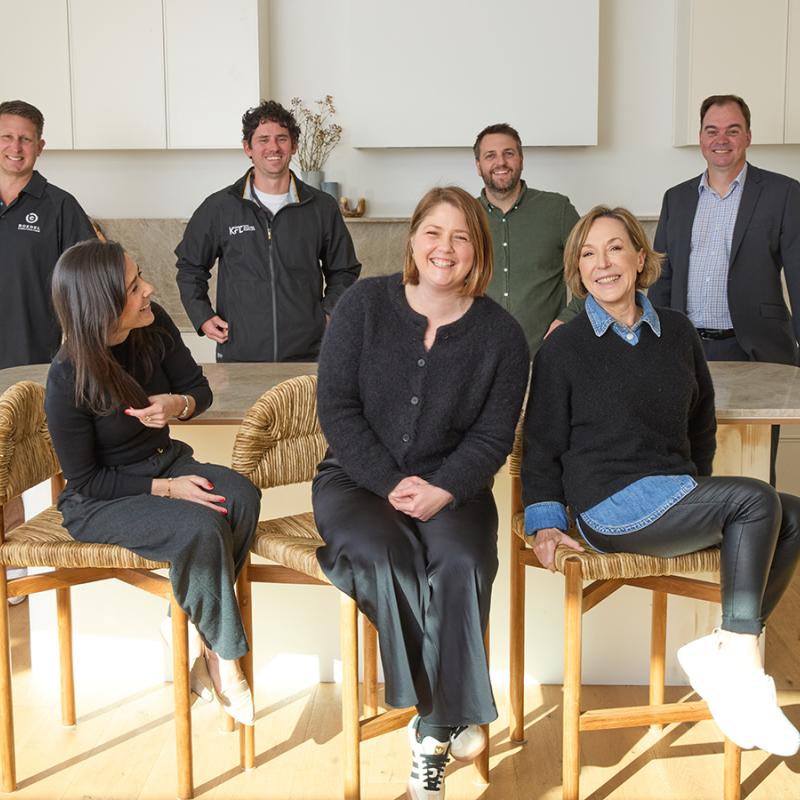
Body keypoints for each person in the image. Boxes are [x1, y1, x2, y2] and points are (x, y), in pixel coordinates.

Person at [522, 205, 800, 757]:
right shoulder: (564, 346)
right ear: (577, 272)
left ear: (639, 257)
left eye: (615, 248)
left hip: (673, 495)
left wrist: (700, 496)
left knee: (791, 515)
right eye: (588, 254)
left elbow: (700, 425)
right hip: (606, 507)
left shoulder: (677, 332)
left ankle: (727, 649)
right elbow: (541, 446)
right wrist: (545, 525)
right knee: (754, 500)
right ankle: (740, 666)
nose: (603, 263)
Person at [312, 186, 529, 798]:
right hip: (357, 481)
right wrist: (389, 481)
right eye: (434, 232)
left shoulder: (503, 337)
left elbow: (493, 437)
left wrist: (443, 488)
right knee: (386, 555)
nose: (445, 247)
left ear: (477, 250)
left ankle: (429, 738)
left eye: (462, 236)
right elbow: (337, 406)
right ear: (413, 239)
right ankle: (448, 711)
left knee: (460, 563)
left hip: (455, 490)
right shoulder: (363, 305)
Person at [45, 239, 261, 725]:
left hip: (166, 462)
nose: (149, 290)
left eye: (140, 277)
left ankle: (180, 620)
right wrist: (169, 489)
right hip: (102, 499)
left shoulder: (153, 323)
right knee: (200, 527)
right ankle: (223, 659)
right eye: (134, 286)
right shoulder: (67, 377)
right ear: (101, 305)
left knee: (241, 497)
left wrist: (176, 405)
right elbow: (87, 480)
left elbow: (197, 389)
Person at [649, 94, 800, 485]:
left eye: (732, 130)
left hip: (757, 352)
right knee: (689, 459)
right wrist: (653, 347)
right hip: (688, 350)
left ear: (748, 136)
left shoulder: (783, 193)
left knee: (753, 463)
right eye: (712, 130)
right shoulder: (676, 198)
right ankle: (700, 541)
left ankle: (755, 541)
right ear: (700, 137)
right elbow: (661, 280)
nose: (722, 139)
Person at [176, 99, 361, 363]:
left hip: (308, 356)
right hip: (240, 355)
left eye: (282, 138)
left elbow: (344, 270)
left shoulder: (321, 207)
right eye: (263, 139)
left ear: (294, 146)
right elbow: (189, 267)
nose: (273, 147)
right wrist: (202, 316)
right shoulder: (219, 207)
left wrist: (328, 315)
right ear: (247, 148)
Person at [0, 99, 96, 602]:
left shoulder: (58, 206)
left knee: (14, 461)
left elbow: (87, 278)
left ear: (40, 146)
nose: (16, 147)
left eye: (25, 139)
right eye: (7, 137)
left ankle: (16, 564)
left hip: (30, 358)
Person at [474, 122, 582, 354]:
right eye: (490, 155)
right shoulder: (464, 215)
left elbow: (594, 272)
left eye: (509, 153)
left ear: (521, 160)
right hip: (479, 358)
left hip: (545, 357)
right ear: (478, 166)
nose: (500, 162)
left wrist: (569, 319)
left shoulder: (557, 209)